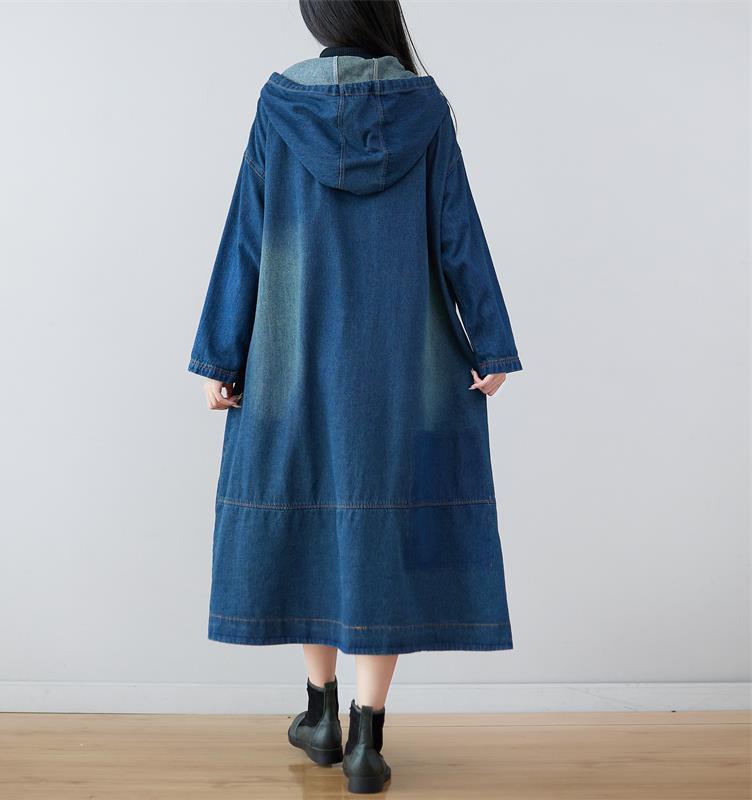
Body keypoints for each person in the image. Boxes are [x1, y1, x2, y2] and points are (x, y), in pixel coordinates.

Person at [188, 0, 523, 793]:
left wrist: (221, 356)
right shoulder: (425, 109)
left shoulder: (280, 106)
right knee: (387, 534)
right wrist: (491, 342)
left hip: (293, 361)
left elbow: (249, 234)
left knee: (309, 523)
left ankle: (320, 715)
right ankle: (367, 739)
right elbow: (458, 232)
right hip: (405, 369)